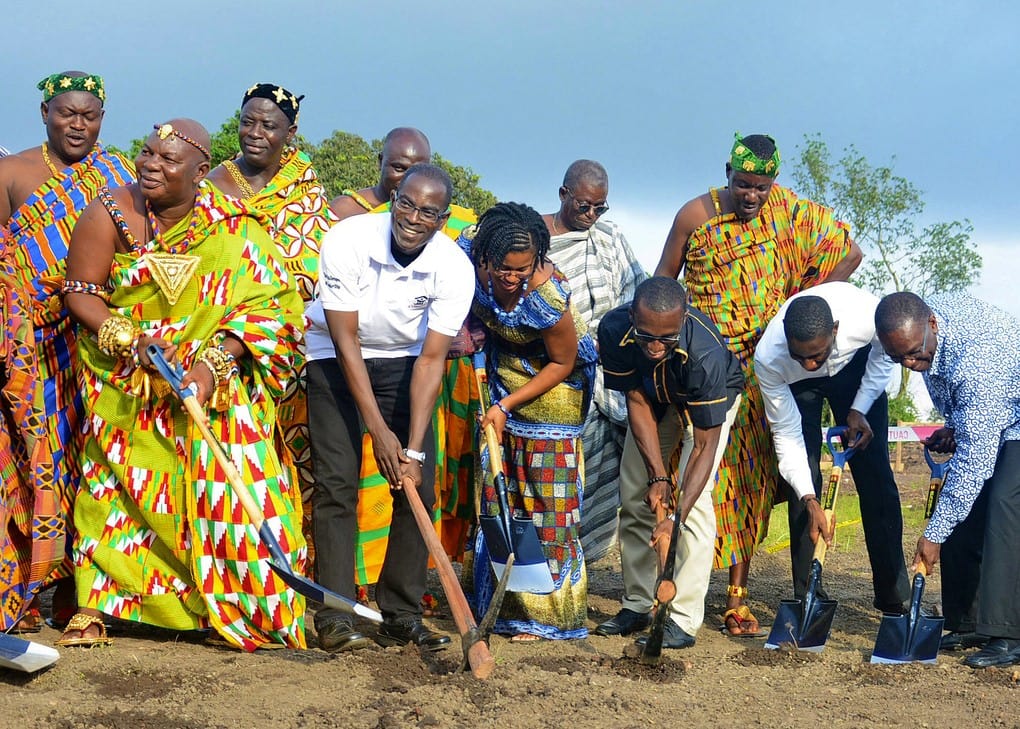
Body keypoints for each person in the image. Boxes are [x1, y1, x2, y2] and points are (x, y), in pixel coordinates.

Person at [56, 119, 306, 651]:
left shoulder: (235, 226)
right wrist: (131, 340)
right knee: (113, 489)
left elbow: (268, 306)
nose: (150, 165)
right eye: (146, 153)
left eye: (168, 160)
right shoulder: (109, 212)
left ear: (199, 174)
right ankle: (97, 603)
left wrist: (211, 365)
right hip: (126, 381)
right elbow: (80, 292)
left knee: (235, 493)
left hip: (207, 386)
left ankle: (227, 604)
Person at [654, 132, 861, 634]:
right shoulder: (694, 216)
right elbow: (663, 280)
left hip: (764, 366)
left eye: (762, 187)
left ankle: (737, 596)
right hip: (702, 365)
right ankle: (678, 586)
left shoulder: (791, 213)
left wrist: (802, 305)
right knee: (701, 477)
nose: (752, 196)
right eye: (744, 184)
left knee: (748, 481)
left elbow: (850, 254)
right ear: (727, 172)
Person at [307, 163, 473, 652]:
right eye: (405, 203)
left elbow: (431, 360)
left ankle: (400, 613)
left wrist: (413, 451)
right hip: (336, 361)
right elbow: (344, 339)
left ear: (442, 220)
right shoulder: (347, 239)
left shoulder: (454, 267)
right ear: (392, 199)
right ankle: (335, 617)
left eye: (427, 212)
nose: (413, 218)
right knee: (338, 484)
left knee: (417, 488)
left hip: (407, 366)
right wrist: (379, 432)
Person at [0, 71, 134, 633]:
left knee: (93, 461)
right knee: (34, 463)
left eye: (90, 116)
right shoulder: (12, 173)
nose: (78, 125)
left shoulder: (120, 173)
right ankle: (28, 587)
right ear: (44, 113)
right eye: (66, 114)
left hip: (99, 342)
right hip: (32, 347)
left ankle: (85, 589)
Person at [207, 83, 338, 571]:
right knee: (230, 462)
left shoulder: (304, 187)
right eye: (248, 122)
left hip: (292, 353)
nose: (255, 133)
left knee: (295, 463)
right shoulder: (212, 183)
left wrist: (268, 301)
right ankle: (232, 569)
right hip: (220, 346)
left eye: (269, 125)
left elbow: (315, 264)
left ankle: (296, 569)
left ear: (291, 132)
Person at [464, 201, 597, 641]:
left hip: (554, 390)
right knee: (502, 497)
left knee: (546, 504)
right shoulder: (469, 252)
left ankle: (551, 617)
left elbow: (564, 360)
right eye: (503, 269)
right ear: (485, 255)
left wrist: (506, 407)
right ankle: (503, 608)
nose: (511, 279)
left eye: (522, 271)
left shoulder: (546, 295)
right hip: (500, 374)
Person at [594, 277, 742, 648]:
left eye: (668, 339)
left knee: (696, 508)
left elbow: (705, 444)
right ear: (632, 317)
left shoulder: (704, 353)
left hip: (707, 407)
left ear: (683, 318)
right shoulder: (614, 330)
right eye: (647, 337)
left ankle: (682, 619)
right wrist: (657, 476)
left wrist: (675, 516)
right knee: (634, 493)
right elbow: (637, 401)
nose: (656, 347)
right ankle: (639, 604)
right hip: (652, 401)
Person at [875, 291, 1020, 668]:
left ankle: (1008, 634)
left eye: (914, 352)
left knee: (1005, 504)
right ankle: (968, 620)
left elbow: (976, 458)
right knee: (965, 508)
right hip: (1000, 410)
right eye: (899, 358)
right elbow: (970, 407)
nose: (909, 363)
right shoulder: (923, 324)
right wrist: (955, 426)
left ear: (933, 325)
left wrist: (934, 533)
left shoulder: (978, 363)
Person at [754, 283, 909, 611]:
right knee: (804, 479)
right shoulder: (770, 358)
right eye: (802, 356)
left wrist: (860, 406)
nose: (811, 364)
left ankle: (895, 596)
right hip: (798, 388)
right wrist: (810, 500)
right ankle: (809, 596)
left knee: (877, 478)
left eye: (816, 356)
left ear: (835, 330)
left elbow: (885, 353)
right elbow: (786, 433)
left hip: (856, 370)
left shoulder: (865, 316)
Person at [543, 159, 646, 563]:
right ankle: (552, 565)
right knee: (562, 481)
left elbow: (635, 291)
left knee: (607, 477)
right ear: (563, 195)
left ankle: (579, 567)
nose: (591, 215)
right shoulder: (538, 237)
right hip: (557, 376)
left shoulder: (610, 236)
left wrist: (614, 342)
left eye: (600, 207)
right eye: (583, 206)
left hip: (611, 375)